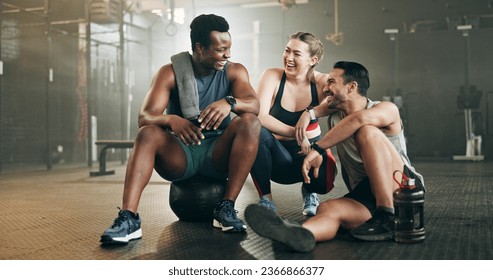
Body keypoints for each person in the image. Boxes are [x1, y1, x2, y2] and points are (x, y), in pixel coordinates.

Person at [100, 14, 261, 245]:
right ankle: (129, 219)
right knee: (147, 133)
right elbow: (144, 117)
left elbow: (254, 105)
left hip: (217, 152)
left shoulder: (234, 71)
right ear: (200, 48)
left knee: (250, 122)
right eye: (220, 49)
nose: (227, 55)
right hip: (183, 153)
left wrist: (230, 102)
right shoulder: (170, 72)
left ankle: (226, 208)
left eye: (229, 48)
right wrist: (172, 120)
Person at [245, 61, 424, 252]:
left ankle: (387, 215)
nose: (326, 87)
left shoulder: (386, 109)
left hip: (404, 189)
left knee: (366, 132)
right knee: (328, 210)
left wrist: (318, 149)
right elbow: (329, 108)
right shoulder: (336, 118)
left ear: (352, 86)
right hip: (366, 193)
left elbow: (358, 119)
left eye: (331, 82)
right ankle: (299, 233)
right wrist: (309, 113)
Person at [250, 32, 337, 216]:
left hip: (309, 154)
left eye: (296, 54)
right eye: (287, 51)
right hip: (276, 158)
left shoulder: (322, 81)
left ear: (312, 60)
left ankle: (310, 192)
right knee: (254, 130)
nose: (289, 58)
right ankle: (266, 201)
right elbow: (261, 116)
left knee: (323, 173)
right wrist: (298, 134)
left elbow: (340, 100)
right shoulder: (272, 76)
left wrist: (309, 113)